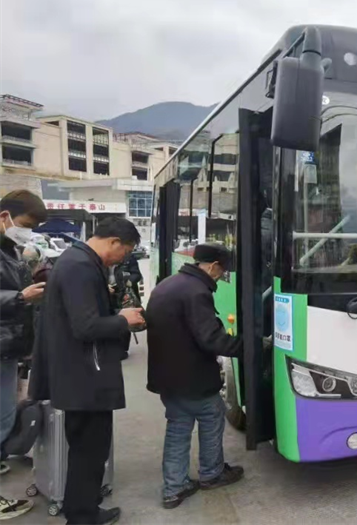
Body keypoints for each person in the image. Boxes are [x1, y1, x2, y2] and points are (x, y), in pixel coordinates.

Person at [31, 217, 145, 525]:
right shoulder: (80, 267)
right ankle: (82, 517)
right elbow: (86, 327)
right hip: (83, 376)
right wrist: (123, 320)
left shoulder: (77, 260)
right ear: (114, 242)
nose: (122, 258)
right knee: (90, 450)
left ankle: (81, 507)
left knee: (85, 448)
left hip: (77, 373)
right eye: (125, 251)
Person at [146, 244, 244, 510]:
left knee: (178, 428)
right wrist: (247, 347)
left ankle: (173, 488)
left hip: (167, 377)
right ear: (212, 266)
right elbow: (211, 339)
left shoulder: (169, 284)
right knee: (212, 416)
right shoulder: (197, 292)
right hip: (193, 377)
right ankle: (212, 474)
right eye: (222, 271)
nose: (221, 277)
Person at [0, 191, 47, 521]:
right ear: (5, 216)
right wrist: (20, 297)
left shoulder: (10, 249)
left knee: (4, 417)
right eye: (26, 224)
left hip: (7, 347)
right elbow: (14, 295)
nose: (26, 232)